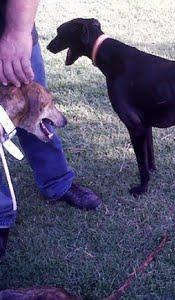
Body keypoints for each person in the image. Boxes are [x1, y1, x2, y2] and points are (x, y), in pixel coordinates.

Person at [0, 0, 101, 258]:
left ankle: (58, 182)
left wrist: (19, 32)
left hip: (13, 29)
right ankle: (1, 212)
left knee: (36, 110)